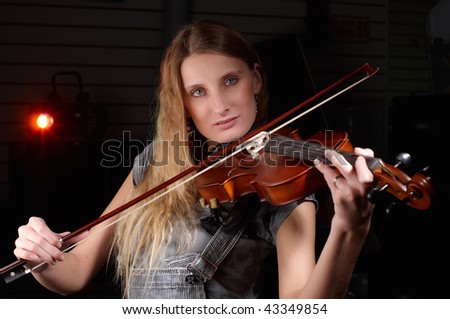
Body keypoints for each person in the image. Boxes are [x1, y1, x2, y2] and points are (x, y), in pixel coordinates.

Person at [13, 19, 375, 298]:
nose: (219, 106)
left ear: (256, 79)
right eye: (198, 92)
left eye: (231, 81)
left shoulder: (283, 189)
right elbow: (75, 272)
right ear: (184, 104)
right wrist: (39, 257)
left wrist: (349, 230)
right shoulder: (157, 162)